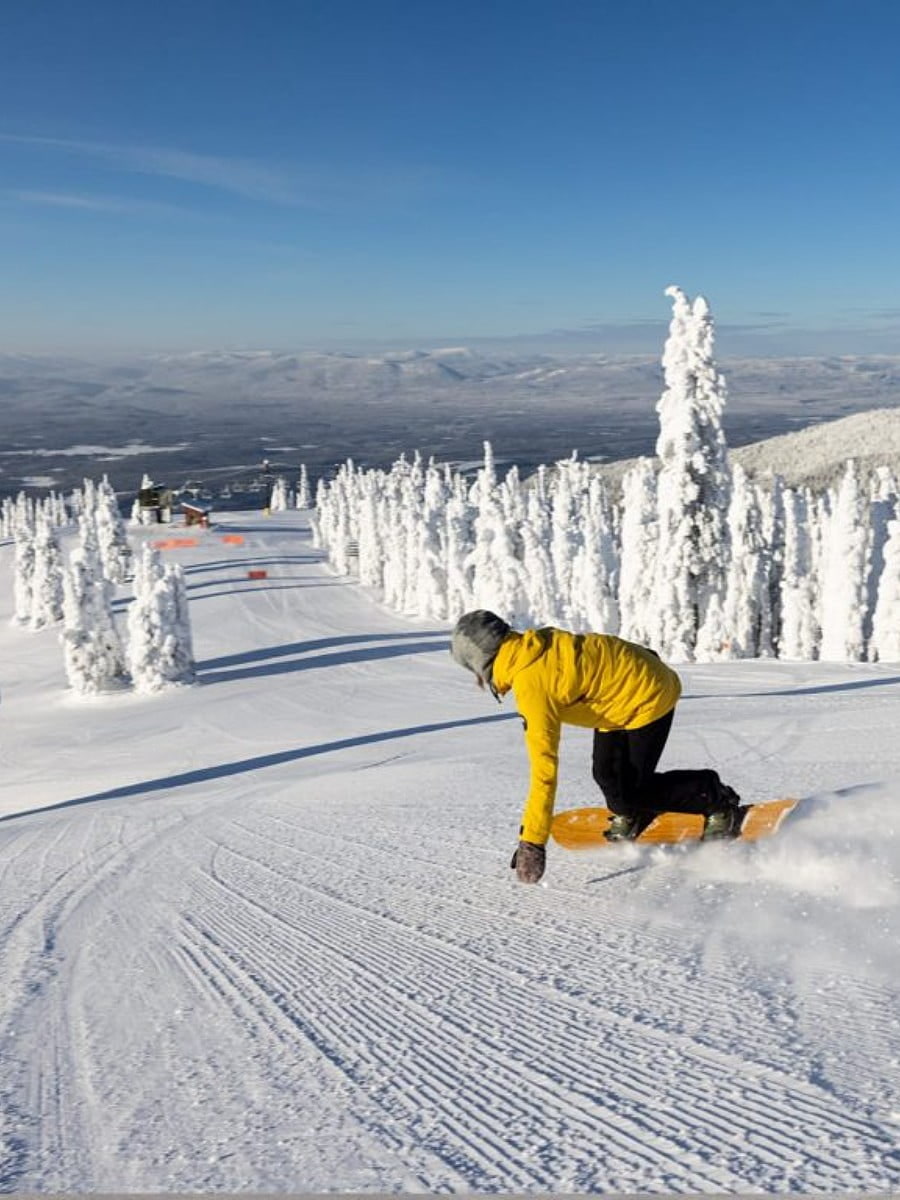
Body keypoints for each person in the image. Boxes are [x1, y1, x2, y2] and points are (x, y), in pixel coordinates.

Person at [450, 610, 742, 884]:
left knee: (636, 790)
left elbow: (544, 771)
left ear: (481, 662)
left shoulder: (531, 685)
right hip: (614, 700)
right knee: (605, 775)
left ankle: (715, 799)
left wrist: (533, 842)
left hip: (648, 695)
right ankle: (630, 812)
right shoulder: (530, 647)